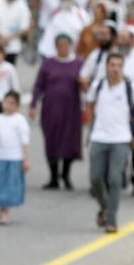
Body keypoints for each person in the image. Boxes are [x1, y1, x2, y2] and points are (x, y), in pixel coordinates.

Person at [85, 52, 134, 234]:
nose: (115, 69)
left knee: (115, 179)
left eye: (118, 65)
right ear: (106, 66)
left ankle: (112, 218)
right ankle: (105, 206)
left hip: (120, 138)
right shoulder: (98, 86)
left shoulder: (130, 88)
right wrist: (92, 125)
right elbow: (89, 104)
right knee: (96, 178)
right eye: (112, 65)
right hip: (99, 136)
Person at [29, 33, 83, 190]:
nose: (63, 48)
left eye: (66, 44)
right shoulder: (48, 64)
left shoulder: (78, 63)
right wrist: (33, 104)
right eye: (60, 45)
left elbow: (86, 84)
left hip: (71, 108)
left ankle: (66, 174)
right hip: (51, 108)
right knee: (51, 139)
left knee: (70, 140)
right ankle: (53, 176)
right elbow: (38, 85)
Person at [0, 91, 30, 225]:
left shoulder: (19, 120)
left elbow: (24, 141)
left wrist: (25, 159)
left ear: (18, 106)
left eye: (12, 103)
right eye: (6, 102)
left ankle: (4, 211)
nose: (8, 106)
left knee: (10, 185)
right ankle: (2, 207)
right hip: (0, 157)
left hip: (14, 157)